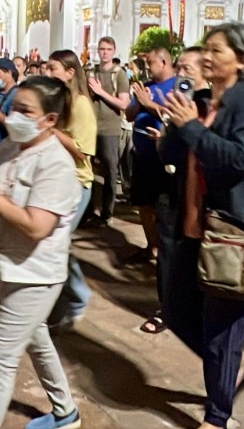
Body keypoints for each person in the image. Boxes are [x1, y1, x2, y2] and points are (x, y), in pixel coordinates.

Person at [159, 22, 244, 429]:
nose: (206, 57)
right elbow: (171, 153)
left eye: (216, 50)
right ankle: (226, 372)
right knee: (176, 310)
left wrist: (191, 127)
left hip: (233, 227)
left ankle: (218, 415)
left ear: (241, 59)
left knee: (223, 330)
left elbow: (242, 158)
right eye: (205, 49)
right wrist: (177, 124)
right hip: (192, 222)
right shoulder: (203, 100)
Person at [0, 76, 83, 429]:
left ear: (50, 119)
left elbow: (36, 226)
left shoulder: (57, 164)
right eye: (13, 107)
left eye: (25, 111)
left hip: (35, 274)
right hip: (4, 265)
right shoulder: (9, 148)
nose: (14, 116)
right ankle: (66, 412)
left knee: (0, 354)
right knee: (36, 338)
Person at [141, 46, 211, 335]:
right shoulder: (179, 101)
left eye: (187, 69)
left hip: (199, 192)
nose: (180, 74)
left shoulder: (211, 105)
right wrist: (164, 138)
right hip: (171, 186)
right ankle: (168, 308)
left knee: (195, 253)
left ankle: (190, 309)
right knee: (168, 250)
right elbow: (170, 148)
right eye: (178, 68)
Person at [43, 50, 97, 329]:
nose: (47, 73)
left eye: (52, 68)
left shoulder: (81, 105)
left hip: (76, 182)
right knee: (52, 242)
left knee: (56, 242)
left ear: (70, 72)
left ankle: (77, 298)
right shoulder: (60, 101)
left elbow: (83, 152)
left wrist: (52, 131)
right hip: (57, 179)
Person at [126, 47, 176, 263]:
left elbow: (174, 116)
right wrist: (138, 101)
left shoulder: (178, 86)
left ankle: (165, 252)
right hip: (141, 154)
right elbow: (129, 115)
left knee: (161, 207)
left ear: (163, 62)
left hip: (162, 157)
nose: (147, 68)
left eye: (150, 64)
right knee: (143, 204)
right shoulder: (146, 86)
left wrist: (149, 104)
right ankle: (151, 247)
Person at [87, 37, 130, 224]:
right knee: (89, 170)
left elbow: (124, 103)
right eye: (102, 49)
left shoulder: (119, 74)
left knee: (110, 171)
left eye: (108, 49)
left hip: (109, 128)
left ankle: (107, 212)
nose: (104, 52)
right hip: (91, 126)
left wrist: (100, 92)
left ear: (113, 51)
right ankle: (90, 210)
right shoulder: (91, 72)